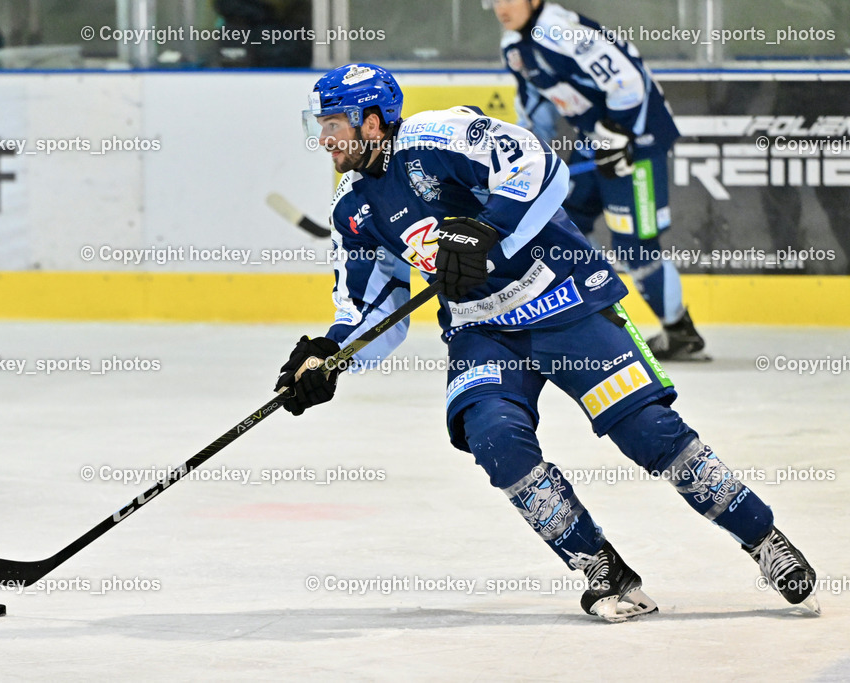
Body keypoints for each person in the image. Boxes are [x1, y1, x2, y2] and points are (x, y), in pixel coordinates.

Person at [275, 63, 819, 621]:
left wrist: (487, 228)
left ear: (371, 122)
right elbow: (372, 304)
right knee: (495, 439)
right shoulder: (352, 208)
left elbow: (539, 165)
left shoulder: (440, 135)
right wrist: (331, 354)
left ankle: (763, 538)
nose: (324, 139)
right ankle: (601, 566)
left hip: (564, 299)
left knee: (648, 431)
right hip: (480, 327)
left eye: (333, 123)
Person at [488, 0, 706, 359]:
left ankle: (679, 329)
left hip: (638, 142)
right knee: (566, 221)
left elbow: (628, 79)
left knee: (635, 244)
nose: (502, 7)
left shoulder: (557, 31)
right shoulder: (514, 46)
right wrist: (525, 156)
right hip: (596, 141)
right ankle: (593, 317)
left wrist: (620, 132)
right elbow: (533, 105)